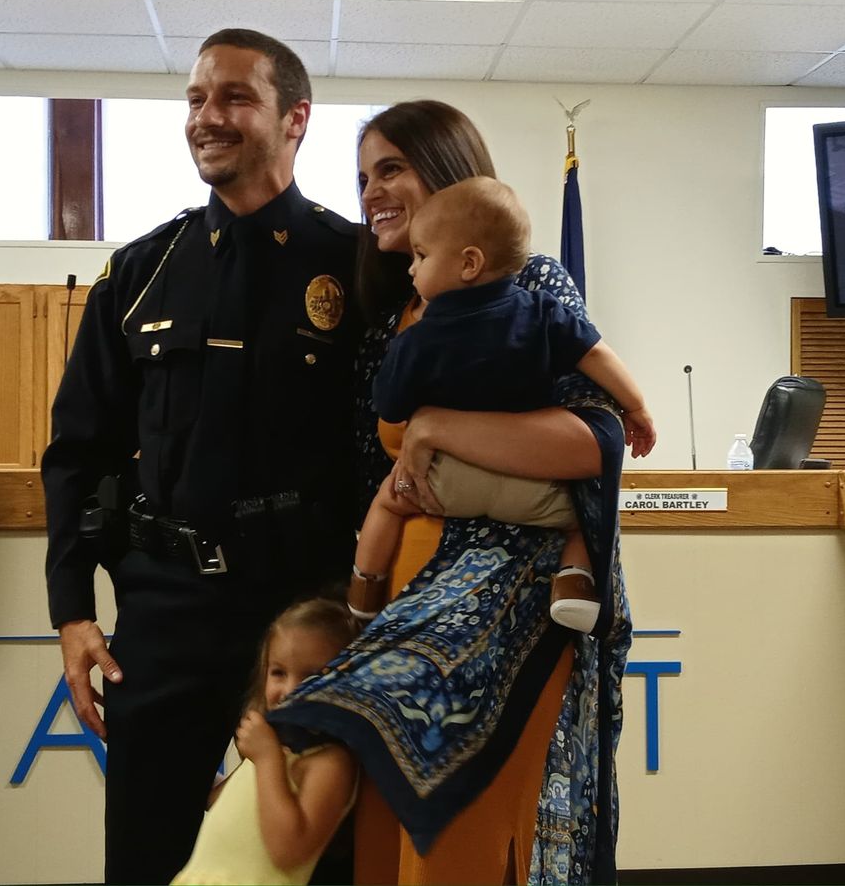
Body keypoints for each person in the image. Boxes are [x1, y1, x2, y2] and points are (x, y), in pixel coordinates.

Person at [267, 100, 632, 883]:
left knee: (467, 843)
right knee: (395, 844)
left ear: (449, 170)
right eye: (363, 176)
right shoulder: (390, 310)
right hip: (404, 607)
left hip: (505, 615)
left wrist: (438, 425)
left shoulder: (526, 282)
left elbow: (592, 441)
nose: (372, 192)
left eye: (391, 168)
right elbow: (381, 479)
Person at [41, 28, 364, 884]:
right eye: (195, 99)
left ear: (295, 118)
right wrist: (73, 609)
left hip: (307, 606)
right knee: (148, 853)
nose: (207, 117)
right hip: (168, 604)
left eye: (234, 98)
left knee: (316, 862)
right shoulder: (143, 271)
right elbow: (77, 448)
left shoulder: (358, 267)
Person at [346, 177, 655, 634]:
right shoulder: (544, 311)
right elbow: (597, 355)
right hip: (534, 488)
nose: (413, 269)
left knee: (389, 503)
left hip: (445, 484)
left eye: (422, 256)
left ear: (469, 263)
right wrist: (637, 408)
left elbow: (389, 407)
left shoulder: (418, 339)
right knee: (584, 519)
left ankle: (363, 594)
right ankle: (573, 584)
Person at [172, 598, 361, 885]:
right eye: (278, 672)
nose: (290, 689)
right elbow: (230, 806)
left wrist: (267, 759)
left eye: (311, 675)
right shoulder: (275, 748)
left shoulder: (330, 762)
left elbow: (289, 850)